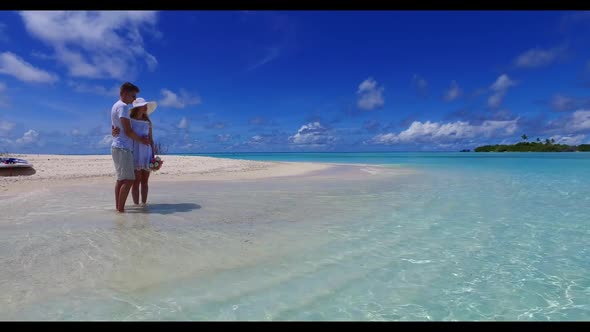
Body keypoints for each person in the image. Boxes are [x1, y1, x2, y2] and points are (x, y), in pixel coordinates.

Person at [110, 82, 150, 213]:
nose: (133, 99)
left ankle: (118, 208)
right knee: (130, 179)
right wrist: (141, 140)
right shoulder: (123, 107)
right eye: (133, 96)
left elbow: (117, 127)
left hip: (117, 146)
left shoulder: (115, 106)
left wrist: (114, 131)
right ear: (125, 94)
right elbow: (128, 131)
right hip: (123, 147)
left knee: (121, 179)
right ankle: (121, 211)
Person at [128, 98, 157, 206]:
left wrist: (153, 156)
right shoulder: (130, 121)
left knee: (145, 182)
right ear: (137, 108)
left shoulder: (147, 122)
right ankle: (136, 206)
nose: (146, 107)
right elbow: (126, 134)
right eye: (144, 105)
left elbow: (151, 139)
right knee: (136, 182)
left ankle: (144, 205)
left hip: (147, 153)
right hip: (136, 153)